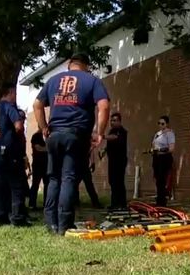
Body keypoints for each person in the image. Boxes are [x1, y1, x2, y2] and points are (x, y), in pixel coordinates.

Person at [33, 52, 110, 235]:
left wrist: (43, 127)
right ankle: (64, 223)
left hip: (54, 135)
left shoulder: (53, 81)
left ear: (69, 64)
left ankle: (50, 222)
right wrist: (99, 133)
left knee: (53, 178)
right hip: (76, 135)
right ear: (86, 65)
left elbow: (37, 104)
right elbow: (104, 106)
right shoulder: (91, 80)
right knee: (68, 178)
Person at [0, 82, 29, 227]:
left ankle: (0, 218)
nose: (15, 97)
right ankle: (18, 218)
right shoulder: (9, 107)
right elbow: (18, 126)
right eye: (15, 94)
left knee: (0, 185)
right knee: (16, 184)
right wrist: (16, 137)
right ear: (10, 93)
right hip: (8, 151)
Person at [105, 112, 128, 209]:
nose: (112, 122)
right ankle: (114, 203)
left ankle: (122, 204)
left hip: (120, 161)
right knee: (112, 181)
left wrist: (101, 136)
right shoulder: (111, 131)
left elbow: (115, 138)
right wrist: (104, 150)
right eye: (111, 120)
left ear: (119, 121)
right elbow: (110, 143)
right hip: (112, 160)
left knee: (119, 182)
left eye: (114, 120)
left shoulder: (122, 131)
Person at [150, 115, 175, 206]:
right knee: (157, 179)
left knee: (162, 179)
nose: (161, 125)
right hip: (157, 158)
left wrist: (161, 150)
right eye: (159, 123)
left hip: (164, 158)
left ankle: (162, 200)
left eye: (162, 123)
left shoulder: (169, 133)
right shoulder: (157, 134)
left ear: (167, 124)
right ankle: (159, 197)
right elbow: (153, 144)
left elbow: (171, 148)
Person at [28, 131, 49, 209]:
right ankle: (32, 204)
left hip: (47, 164)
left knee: (47, 184)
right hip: (38, 164)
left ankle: (46, 204)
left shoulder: (49, 136)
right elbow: (38, 148)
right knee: (35, 184)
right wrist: (49, 148)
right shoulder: (36, 136)